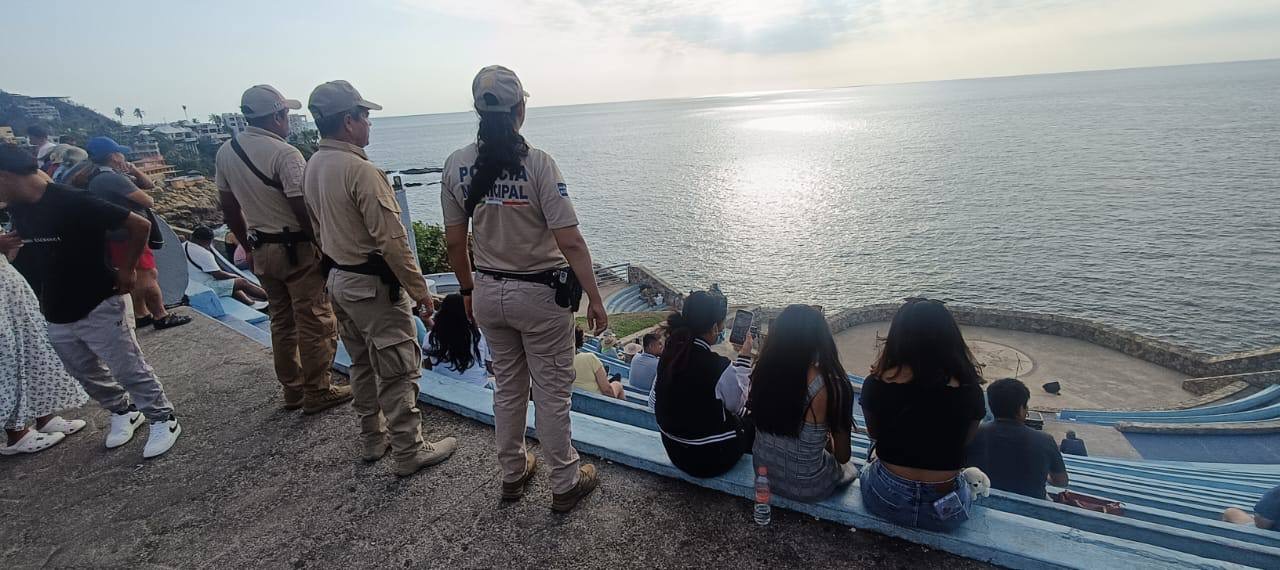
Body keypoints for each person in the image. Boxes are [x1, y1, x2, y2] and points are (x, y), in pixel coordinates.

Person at [441, 65, 607, 512]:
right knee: (551, 392)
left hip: (488, 290)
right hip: (538, 296)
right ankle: (564, 482)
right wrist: (594, 296)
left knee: (508, 388)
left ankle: (513, 473)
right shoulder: (538, 164)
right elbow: (570, 241)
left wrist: (468, 290)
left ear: (478, 110)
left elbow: (455, 242)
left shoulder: (456, 164)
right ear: (520, 109)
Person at [303, 80, 455, 476]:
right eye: (365, 116)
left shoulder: (313, 164)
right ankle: (409, 449)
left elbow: (317, 229)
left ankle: (374, 436)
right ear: (348, 121)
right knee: (398, 365)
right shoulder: (361, 170)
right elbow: (392, 241)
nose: (369, 123)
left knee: (361, 364)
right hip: (372, 287)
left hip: (339, 279)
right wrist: (420, 292)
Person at [0, 143, 183, 458]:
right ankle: (123, 410)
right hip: (57, 304)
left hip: (98, 297)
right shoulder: (19, 207)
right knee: (82, 370)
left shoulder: (70, 200)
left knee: (127, 366)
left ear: (5, 176)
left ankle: (162, 417)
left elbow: (139, 225)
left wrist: (127, 269)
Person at [217, 84, 351, 414]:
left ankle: (293, 390)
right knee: (315, 320)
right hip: (296, 249)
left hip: (261, 247)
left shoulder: (226, 152)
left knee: (281, 321)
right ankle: (317, 390)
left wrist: (247, 244)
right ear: (277, 116)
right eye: (286, 114)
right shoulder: (285, 154)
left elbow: (229, 208)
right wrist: (324, 246)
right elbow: (302, 206)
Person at [859, 298, 986, 532]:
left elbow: (874, 433)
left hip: (886, 499)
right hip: (944, 509)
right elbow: (966, 440)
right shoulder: (971, 391)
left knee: (866, 468)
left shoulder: (875, 384)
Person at [749, 304, 857, 502]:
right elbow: (843, 456)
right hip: (809, 487)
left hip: (764, 475)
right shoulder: (831, 386)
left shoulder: (762, 373)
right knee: (850, 469)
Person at [84, 136, 191, 331]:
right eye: (120, 153)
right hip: (129, 235)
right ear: (113, 156)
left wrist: (133, 170)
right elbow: (148, 200)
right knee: (148, 275)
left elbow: (148, 184)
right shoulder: (111, 178)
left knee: (136, 274)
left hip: (117, 235)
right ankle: (160, 315)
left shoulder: (99, 177)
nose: (123, 156)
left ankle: (141, 314)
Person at [0, 233, 90, 455]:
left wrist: (11, 243)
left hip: (9, 287)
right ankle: (16, 433)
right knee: (7, 358)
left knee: (33, 348)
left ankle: (44, 416)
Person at [652, 291, 754, 478]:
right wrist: (744, 359)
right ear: (714, 327)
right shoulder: (718, 367)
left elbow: (656, 400)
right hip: (708, 458)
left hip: (675, 450)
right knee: (751, 420)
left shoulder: (670, 353)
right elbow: (738, 404)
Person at [966, 378, 1069, 500]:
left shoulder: (973, 433)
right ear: (1021, 409)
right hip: (1031, 506)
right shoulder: (1045, 440)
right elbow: (1061, 481)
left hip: (981, 499)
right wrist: (1045, 475)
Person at [182, 226, 269, 309]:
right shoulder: (204, 253)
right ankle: (269, 297)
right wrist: (235, 276)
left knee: (230, 284)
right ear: (209, 241)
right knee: (242, 282)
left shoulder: (183, 246)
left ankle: (250, 303)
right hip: (205, 286)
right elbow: (218, 275)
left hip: (190, 283)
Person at [424, 293, 493, 386]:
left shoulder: (430, 337)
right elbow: (491, 368)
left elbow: (428, 368)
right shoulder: (478, 335)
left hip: (442, 388)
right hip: (478, 388)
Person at [573, 327, 623, 399]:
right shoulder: (589, 358)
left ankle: (604, 377)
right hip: (596, 399)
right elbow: (607, 391)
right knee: (617, 385)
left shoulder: (557, 363)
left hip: (574, 399)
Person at [631, 332, 663, 397]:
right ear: (650, 346)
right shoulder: (659, 364)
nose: (661, 347)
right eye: (659, 344)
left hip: (631, 392)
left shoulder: (635, 357)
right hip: (647, 397)